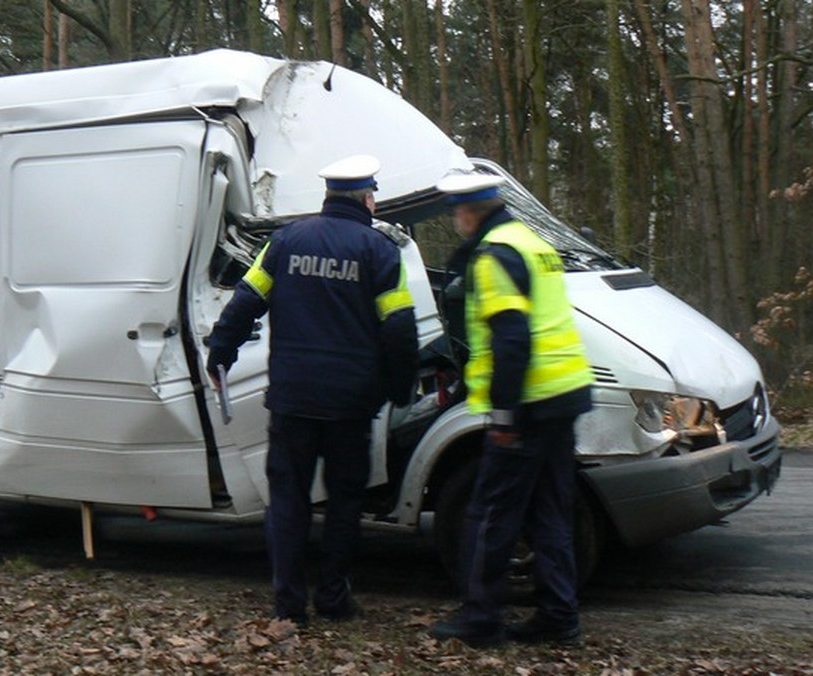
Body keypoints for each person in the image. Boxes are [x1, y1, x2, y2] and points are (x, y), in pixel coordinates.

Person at [206, 154, 419, 625]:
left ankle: (288, 606)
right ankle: (333, 599)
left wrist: (221, 352)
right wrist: (400, 386)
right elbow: (400, 328)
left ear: (327, 196)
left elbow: (246, 302)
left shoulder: (285, 243)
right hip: (350, 406)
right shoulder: (380, 252)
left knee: (288, 502)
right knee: (344, 504)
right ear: (367, 199)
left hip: (293, 400)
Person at [427, 172, 594, 647]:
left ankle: (480, 619)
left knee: (491, 511)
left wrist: (504, 415)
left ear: (471, 211)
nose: (456, 219)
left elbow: (512, 337)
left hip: (528, 403)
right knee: (550, 510)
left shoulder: (493, 255)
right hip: (564, 394)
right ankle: (559, 617)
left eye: (458, 210)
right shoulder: (530, 241)